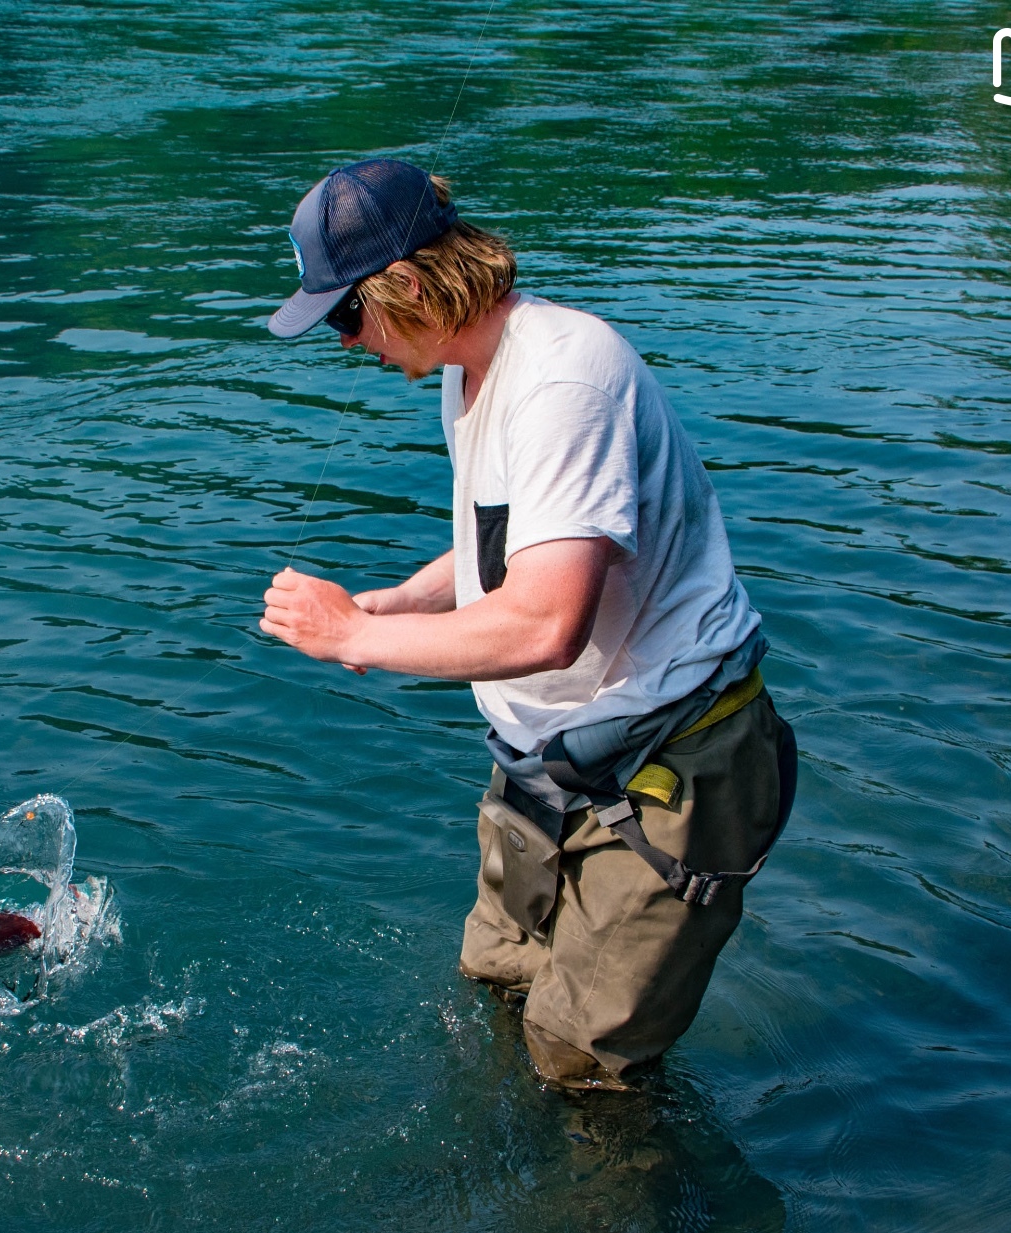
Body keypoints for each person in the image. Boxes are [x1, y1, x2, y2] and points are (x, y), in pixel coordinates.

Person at [259, 158, 796, 1090]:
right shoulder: (469, 369)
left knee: (583, 1066)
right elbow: (516, 541)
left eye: (348, 316)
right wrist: (400, 602)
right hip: (548, 767)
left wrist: (353, 637)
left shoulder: (562, 382)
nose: (346, 342)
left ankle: (623, 1231)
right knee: (497, 987)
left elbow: (548, 621)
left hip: (666, 767)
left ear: (411, 286)